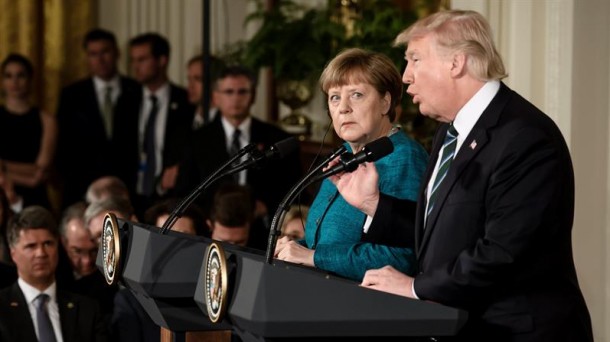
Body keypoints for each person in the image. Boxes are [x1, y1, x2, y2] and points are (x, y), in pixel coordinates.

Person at [332, 10, 593, 341]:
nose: (406, 76)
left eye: (414, 60)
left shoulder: (526, 136)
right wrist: (375, 205)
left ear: (456, 63)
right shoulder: (448, 131)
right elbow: (446, 229)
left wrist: (413, 286)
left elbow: (502, 253)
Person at [273, 48, 428, 281]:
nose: (343, 107)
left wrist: (313, 257)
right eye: (335, 97)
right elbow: (326, 244)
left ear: (385, 103)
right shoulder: (343, 154)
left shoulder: (404, 158)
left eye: (356, 95)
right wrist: (293, 249)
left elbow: (402, 258)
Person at [175, 65, 302, 244]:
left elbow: (296, 193)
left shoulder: (277, 139)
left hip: (262, 236)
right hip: (211, 235)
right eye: (228, 92)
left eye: (242, 92)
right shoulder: (196, 140)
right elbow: (184, 192)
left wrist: (266, 208)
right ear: (215, 97)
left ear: (253, 96)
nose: (235, 98)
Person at [56, 28, 140, 209]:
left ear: (117, 53)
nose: (100, 59)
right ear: (87, 57)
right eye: (93, 54)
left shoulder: (136, 90)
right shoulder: (72, 95)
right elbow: (64, 146)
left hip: (129, 190)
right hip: (82, 191)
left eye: (105, 52)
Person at [0, 205, 108, 341]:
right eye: (31, 246)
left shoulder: (87, 309)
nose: (41, 253)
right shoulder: (2, 309)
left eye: (48, 244)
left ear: (58, 246)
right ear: (13, 254)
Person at [128, 33, 194, 212]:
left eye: (142, 60)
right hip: (132, 195)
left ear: (162, 60)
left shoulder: (185, 101)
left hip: (170, 196)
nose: (135, 66)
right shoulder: (127, 100)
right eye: (133, 60)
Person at [0, 53, 57, 209]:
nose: (15, 82)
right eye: (8, 76)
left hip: (36, 202)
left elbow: (40, 172)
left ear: (30, 80)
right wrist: (27, 174)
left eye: (21, 75)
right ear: (2, 82)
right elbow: (33, 175)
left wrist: (3, 166)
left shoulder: (46, 120)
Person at [186, 54, 225, 129]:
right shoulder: (181, 119)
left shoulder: (227, 120)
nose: (190, 86)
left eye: (198, 79)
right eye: (189, 79)